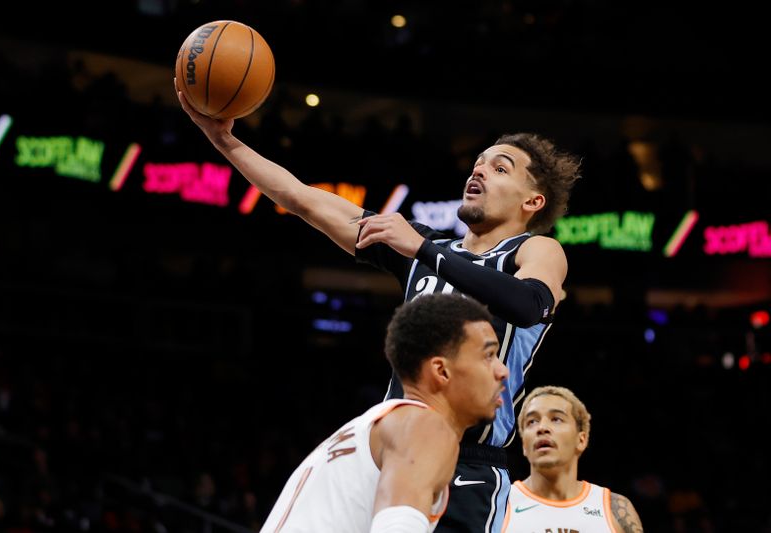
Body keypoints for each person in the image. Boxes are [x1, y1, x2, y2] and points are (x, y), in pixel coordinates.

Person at [176, 81, 582, 532]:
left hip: (470, 462)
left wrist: (424, 251)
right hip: (392, 441)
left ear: (533, 201)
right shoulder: (420, 246)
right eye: (478, 162)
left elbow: (526, 304)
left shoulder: (535, 251)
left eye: (500, 168)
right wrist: (223, 139)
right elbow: (301, 198)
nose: (480, 170)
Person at [259, 293, 508, 532]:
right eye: (488, 355)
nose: (502, 370)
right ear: (441, 371)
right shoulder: (424, 426)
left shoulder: (375, 426)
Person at [503, 385, 643, 533]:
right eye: (532, 421)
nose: (542, 428)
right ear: (524, 444)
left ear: (581, 440)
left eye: (556, 419)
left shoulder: (614, 508)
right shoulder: (499, 503)